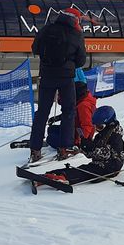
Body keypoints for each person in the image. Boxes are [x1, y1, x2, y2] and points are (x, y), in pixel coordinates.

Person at [29, 8, 87, 162]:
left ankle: (35, 149)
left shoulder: (46, 29)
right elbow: (81, 61)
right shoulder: (76, 34)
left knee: (42, 112)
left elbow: (35, 48)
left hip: (47, 76)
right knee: (69, 111)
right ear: (76, 20)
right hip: (66, 78)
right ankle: (64, 148)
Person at [43, 105, 124, 185]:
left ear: (109, 123)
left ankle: (63, 178)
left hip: (112, 167)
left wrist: (90, 147)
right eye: (95, 126)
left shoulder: (116, 137)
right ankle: (52, 174)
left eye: (99, 126)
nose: (96, 129)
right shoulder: (102, 134)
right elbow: (92, 154)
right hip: (100, 163)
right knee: (82, 168)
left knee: (85, 171)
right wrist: (85, 147)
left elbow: (105, 154)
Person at [46, 81, 96, 150]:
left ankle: (69, 146)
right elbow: (73, 114)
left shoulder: (83, 106)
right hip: (73, 129)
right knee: (51, 130)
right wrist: (58, 118)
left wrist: (82, 141)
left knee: (51, 139)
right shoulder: (81, 100)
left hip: (78, 137)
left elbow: (87, 125)